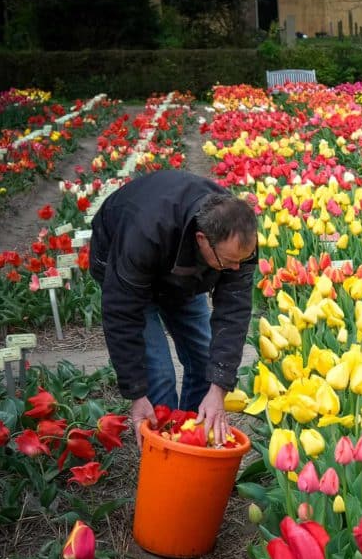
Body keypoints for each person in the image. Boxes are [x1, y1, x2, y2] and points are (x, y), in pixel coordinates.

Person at [89, 170, 258, 445]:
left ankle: (190, 437)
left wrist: (219, 389)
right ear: (202, 239)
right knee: (159, 374)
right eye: (228, 262)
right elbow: (121, 314)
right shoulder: (144, 233)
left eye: (242, 260)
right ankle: (162, 446)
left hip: (184, 273)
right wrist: (136, 393)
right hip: (125, 264)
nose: (236, 268)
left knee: (204, 359)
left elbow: (234, 313)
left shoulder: (237, 238)